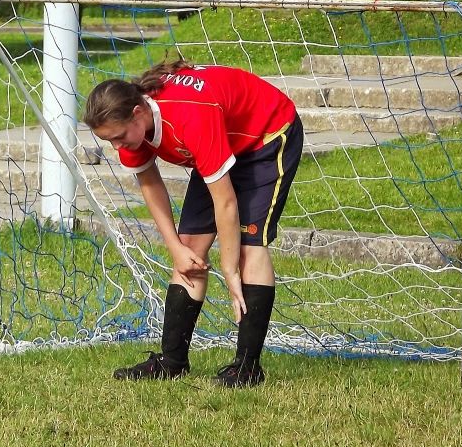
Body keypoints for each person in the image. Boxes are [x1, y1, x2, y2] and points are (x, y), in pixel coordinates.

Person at [84, 59, 303, 387]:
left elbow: (226, 203)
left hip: (266, 135)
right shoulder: (132, 134)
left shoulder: (189, 114)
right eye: (109, 141)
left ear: (138, 113)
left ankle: (247, 367)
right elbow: (151, 185)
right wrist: (175, 248)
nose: (116, 147)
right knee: (189, 248)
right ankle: (172, 362)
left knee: (248, 250)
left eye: (117, 137)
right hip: (222, 141)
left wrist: (229, 270)